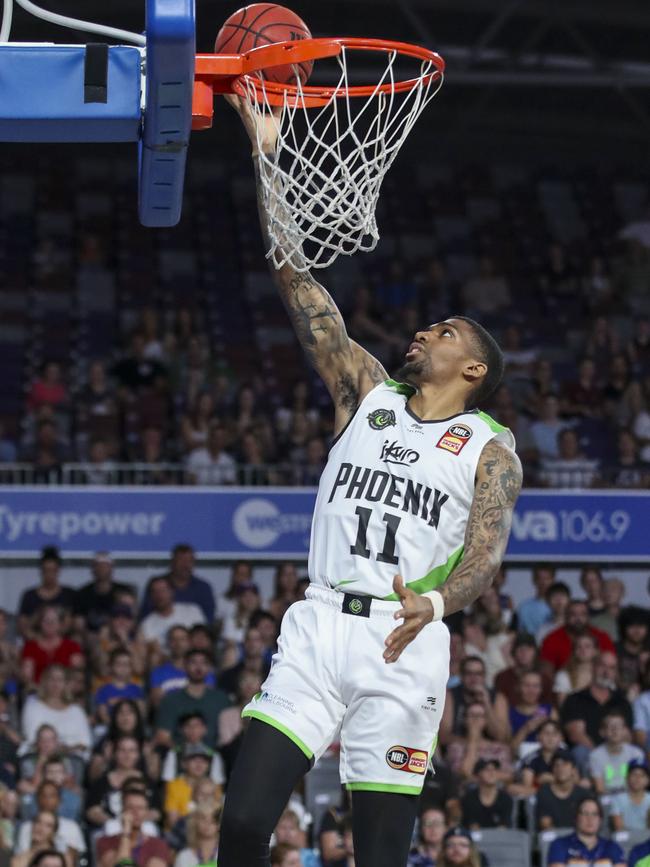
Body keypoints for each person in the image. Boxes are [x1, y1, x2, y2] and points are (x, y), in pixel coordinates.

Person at [218, 94, 522, 867]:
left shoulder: (490, 447)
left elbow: (486, 555)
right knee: (246, 820)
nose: (425, 331)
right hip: (321, 625)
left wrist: (439, 600)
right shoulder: (365, 390)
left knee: (381, 855)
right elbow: (296, 279)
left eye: (445, 332)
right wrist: (267, 151)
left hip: (403, 637)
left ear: (473, 369)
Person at [560, 652, 633, 769]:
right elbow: (576, 735)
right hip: (589, 754)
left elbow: (626, 736)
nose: (606, 672)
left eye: (611, 668)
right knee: (580, 751)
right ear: (593, 667)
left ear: (615, 673)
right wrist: (600, 757)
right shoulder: (575, 699)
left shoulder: (622, 702)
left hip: (616, 753)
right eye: (602, 665)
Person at [155, 650, 230, 748]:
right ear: (184, 666)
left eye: (204, 663)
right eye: (193, 662)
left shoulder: (221, 699)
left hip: (217, 757)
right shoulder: (171, 700)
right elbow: (162, 736)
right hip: (180, 757)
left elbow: (231, 735)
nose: (198, 667)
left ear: (209, 668)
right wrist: (186, 754)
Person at [20, 666, 91, 756]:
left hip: (73, 758)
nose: (55, 683)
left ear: (66, 684)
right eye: (51, 679)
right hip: (39, 755)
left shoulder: (77, 710)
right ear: (44, 681)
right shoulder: (32, 705)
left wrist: (66, 750)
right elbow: (31, 738)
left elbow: (85, 743)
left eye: (60, 679)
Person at [139, 545, 216, 624]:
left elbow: (208, 621)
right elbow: (145, 616)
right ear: (172, 562)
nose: (185, 565)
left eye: (189, 561)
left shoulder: (203, 588)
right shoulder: (158, 585)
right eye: (181, 560)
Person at [96, 787, 172, 867]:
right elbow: (120, 865)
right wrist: (126, 833)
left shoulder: (158, 845)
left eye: (140, 808)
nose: (135, 812)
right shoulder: (105, 842)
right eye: (130, 807)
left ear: (146, 812)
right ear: (123, 810)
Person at [138, 577, 206, 662]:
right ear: (151, 596)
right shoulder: (147, 624)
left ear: (172, 592)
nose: (159, 595)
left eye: (163, 590)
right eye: (155, 591)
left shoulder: (192, 611)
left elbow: (204, 641)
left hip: (195, 660)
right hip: (166, 664)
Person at [540, 599, 615, 673]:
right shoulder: (552, 639)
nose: (578, 619)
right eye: (573, 614)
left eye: (583, 614)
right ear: (566, 617)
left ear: (588, 617)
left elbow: (613, 667)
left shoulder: (602, 637)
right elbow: (546, 673)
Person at [546, 796, 625, 867]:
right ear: (576, 817)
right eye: (585, 813)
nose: (590, 819)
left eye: (594, 814)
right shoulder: (560, 845)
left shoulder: (612, 847)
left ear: (600, 820)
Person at [14, 783, 84, 861]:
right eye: (43, 795)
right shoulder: (26, 827)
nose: (47, 799)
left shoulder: (72, 827)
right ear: (37, 799)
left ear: (59, 800)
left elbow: (74, 860)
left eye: (52, 795)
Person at [17, 549, 76, 641]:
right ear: (41, 571)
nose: (49, 574)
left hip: (62, 643)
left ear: (58, 571)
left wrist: (53, 636)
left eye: (53, 571)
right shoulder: (29, 596)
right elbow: (22, 627)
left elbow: (71, 624)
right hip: (36, 642)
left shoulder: (69, 594)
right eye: (46, 570)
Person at [494, 670, 556, 756]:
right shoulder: (511, 713)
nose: (531, 690)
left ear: (541, 689)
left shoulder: (549, 710)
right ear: (519, 688)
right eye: (526, 685)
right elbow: (510, 750)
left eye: (535, 686)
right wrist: (526, 729)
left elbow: (560, 742)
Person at [72, 553, 132, 634]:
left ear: (111, 569)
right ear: (93, 569)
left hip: (116, 634)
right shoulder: (82, 593)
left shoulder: (123, 591)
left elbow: (132, 619)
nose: (101, 569)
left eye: (105, 566)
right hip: (90, 635)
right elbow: (78, 623)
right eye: (98, 566)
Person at [588, 710, 644, 795]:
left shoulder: (636, 754)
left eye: (618, 726)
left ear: (625, 730)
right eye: (610, 727)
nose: (614, 730)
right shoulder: (595, 756)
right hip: (607, 798)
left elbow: (640, 784)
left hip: (631, 798)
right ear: (602, 732)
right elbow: (600, 789)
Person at [536, 750, 593, 830]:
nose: (561, 768)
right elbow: (545, 825)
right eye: (557, 765)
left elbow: (589, 823)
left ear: (573, 770)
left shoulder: (584, 794)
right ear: (552, 770)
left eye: (565, 764)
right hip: (555, 839)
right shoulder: (544, 792)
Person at [493, 632, 552, 707]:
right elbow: (498, 705)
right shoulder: (502, 678)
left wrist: (537, 717)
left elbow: (547, 706)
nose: (524, 653)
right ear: (513, 652)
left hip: (538, 717)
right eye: (520, 649)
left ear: (535, 652)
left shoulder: (544, 680)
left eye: (529, 649)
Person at [93, 649, 146, 725]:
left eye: (127, 664)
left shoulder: (136, 690)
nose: (123, 668)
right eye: (119, 664)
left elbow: (141, 712)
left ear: (131, 668)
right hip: (111, 728)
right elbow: (103, 715)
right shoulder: (103, 690)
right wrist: (116, 727)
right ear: (112, 666)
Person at [460, 759, 513, 829]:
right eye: (487, 770)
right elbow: (472, 827)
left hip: (500, 839)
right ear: (478, 774)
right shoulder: (469, 798)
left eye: (495, 769)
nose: (492, 773)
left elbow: (504, 826)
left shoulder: (506, 798)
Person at [553, 632, 598, 706]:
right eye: (579, 647)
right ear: (574, 651)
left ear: (595, 651)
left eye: (587, 646)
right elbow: (563, 707)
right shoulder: (563, 675)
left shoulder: (604, 674)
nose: (583, 650)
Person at [514, 565, 555, 637]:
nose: (543, 582)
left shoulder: (559, 606)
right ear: (534, 580)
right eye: (540, 579)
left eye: (547, 579)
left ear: (553, 580)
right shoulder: (524, 607)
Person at [610, 759, 650, 832]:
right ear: (627, 777)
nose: (637, 778)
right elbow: (619, 828)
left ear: (648, 780)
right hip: (626, 841)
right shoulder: (618, 799)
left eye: (642, 775)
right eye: (634, 774)